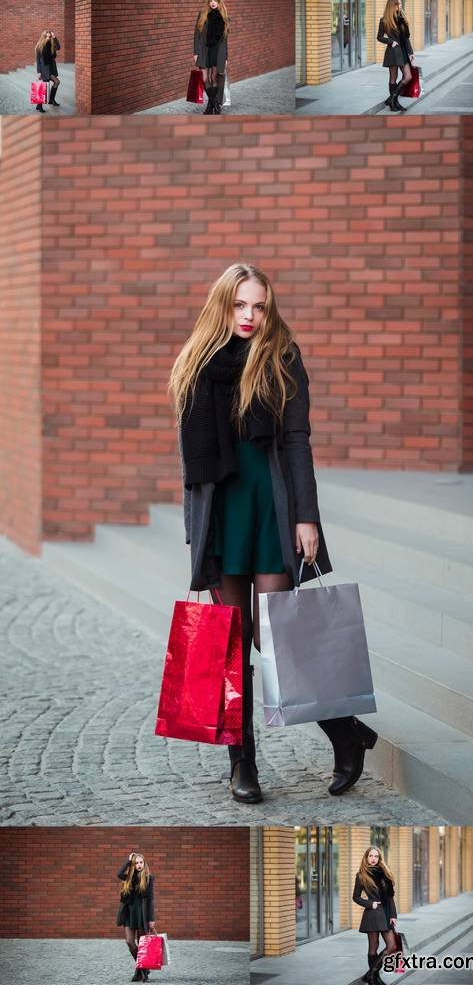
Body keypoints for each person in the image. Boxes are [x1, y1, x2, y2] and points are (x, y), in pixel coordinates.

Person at [169, 262, 378, 805]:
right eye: (240, 305)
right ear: (223, 305)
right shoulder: (197, 361)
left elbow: (296, 442)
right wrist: (196, 529)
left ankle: (345, 733)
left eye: (259, 306)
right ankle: (244, 766)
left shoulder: (282, 356)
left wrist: (306, 517)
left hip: (270, 508)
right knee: (231, 645)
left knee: (280, 634)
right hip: (222, 512)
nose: (250, 316)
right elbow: (191, 460)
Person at [353, 846, 399, 984]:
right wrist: (369, 904)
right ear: (366, 858)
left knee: (392, 946)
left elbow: (390, 897)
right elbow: (355, 897)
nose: (373, 859)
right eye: (371, 856)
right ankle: (375, 979)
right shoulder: (361, 875)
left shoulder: (385, 873)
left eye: (376, 856)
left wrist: (393, 915)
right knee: (373, 946)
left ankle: (371, 973)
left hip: (385, 914)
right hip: (372, 915)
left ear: (380, 858)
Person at [117, 852, 156, 983]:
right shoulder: (129, 877)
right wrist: (129, 861)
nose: (139, 865)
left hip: (142, 915)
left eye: (141, 862)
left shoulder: (148, 878)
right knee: (129, 942)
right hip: (129, 913)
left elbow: (150, 900)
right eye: (136, 863)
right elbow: (119, 874)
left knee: (141, 944)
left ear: (144, 864)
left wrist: (151, 919)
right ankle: (143, 968)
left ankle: (139, 972)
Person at [377, 0, 415, 112]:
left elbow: (406, 38)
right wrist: (390, 41)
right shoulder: (384, 20)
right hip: (393, 52)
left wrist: (411, 53)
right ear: (393, 5)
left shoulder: (402, 18)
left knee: (408, 76)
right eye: (398, 3)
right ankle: (395, 103)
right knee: (393, 78)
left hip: (403, 51)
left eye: (400, 2)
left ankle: (392, 99)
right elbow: (379, 37)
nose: (400, 4)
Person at [193, 0, 229, 115]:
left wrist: (225, 58)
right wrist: (195, 52)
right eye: (210, 1)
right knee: (204, 78)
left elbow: (224, 40)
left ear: (219, 3)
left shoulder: (224, 18)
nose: (213, 3)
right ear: (208, 2)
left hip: (217, 51)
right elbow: (196, 35)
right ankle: (214, 103)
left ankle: (210, 106)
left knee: (214, 77)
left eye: (215, 1)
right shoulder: (202, 15)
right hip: (204, 50)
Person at [35, 29, 61, 112]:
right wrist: (38, 71)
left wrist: (54, 37)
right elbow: (38, 59)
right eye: (47, 35)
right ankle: (39, 106)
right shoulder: (39, 45)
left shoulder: (52, 43)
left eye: (50, 35)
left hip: (51, 67)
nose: (48, 37)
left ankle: (51, 100)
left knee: (56, 82)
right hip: (44, 68)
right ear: (44, 36)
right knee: (43, 86)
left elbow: (59, 47)